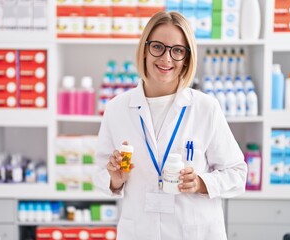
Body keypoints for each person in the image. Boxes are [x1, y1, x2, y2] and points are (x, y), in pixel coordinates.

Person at [93, 11, 247, 240]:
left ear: (186, 57)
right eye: (158, 47)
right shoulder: (117, 109)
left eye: (177, 50)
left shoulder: (205, 107)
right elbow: (98, 173)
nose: (166, 58)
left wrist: (201, 182)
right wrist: (115, 178)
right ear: (144, 50)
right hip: (140, 231)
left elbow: (238, 173)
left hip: (194, 232)